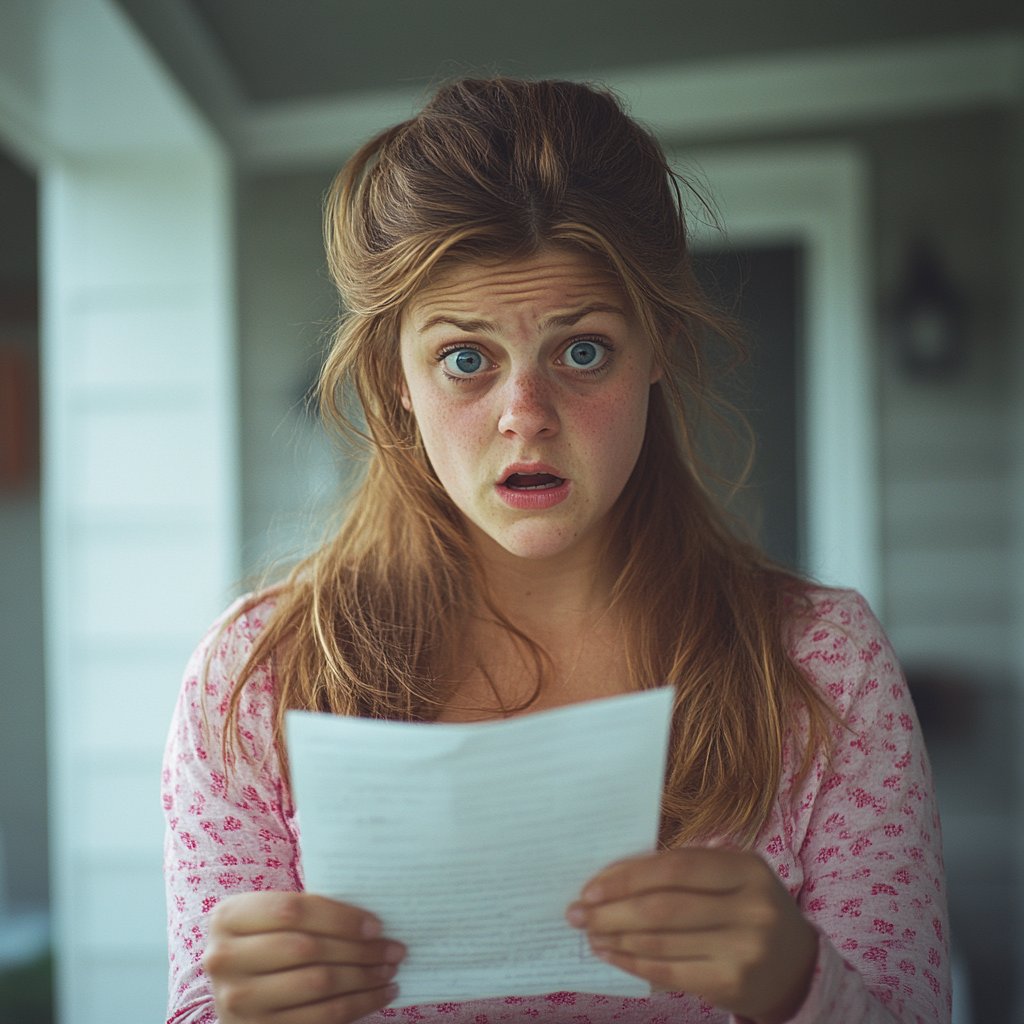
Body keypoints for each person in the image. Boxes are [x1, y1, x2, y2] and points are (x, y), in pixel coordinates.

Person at [162, 77, 950, 1024]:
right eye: (466, 358)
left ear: (656, 345)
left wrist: (801, 986)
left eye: (582, 351)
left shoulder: (821, 668)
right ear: (393, 377)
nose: (524, 418)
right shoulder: (257, 684)